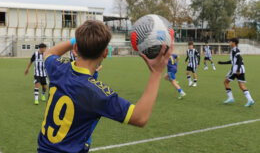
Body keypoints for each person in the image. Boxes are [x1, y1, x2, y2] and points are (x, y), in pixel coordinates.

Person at [37, 20, 173, 153]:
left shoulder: (58, 68)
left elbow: (49, 53)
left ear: (76, 48)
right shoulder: (97, 93)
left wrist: (76, 40)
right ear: (105, 52)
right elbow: (140, 117)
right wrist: (156, 73)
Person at [218, 38, 255, 107]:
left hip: (236, 69)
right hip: (241, 69)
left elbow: (239, 59)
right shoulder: (234, 50)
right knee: (241, 85)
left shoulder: (235, 50)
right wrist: (222, 63)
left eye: (230, 41)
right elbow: (232, 61)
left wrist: (237, 69)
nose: (229, 42)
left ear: (234, 43)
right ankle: (250, 100)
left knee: (226, 82)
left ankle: (231, 98)